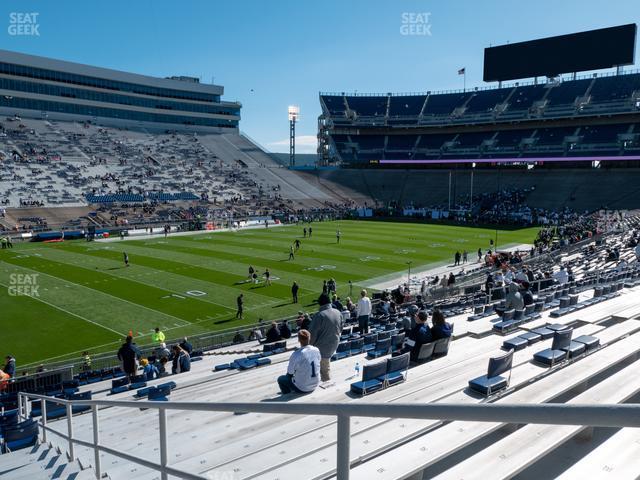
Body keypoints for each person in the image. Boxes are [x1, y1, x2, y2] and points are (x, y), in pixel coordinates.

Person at [309, 293, 343, 382]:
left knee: (324, 371)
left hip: (323, 348)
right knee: (324, 365)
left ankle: (327, 386)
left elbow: (312, 335)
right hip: (334, 344)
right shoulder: (338, 312)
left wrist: (308, 347)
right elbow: (340, 329)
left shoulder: (319, 315)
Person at [277, 330, 321, 394]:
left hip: (303, 388)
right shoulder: (316, 349)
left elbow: (290, 373)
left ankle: (287, 395)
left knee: (281, 379)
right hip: (315, 384)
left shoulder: (296, 354)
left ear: (299, 340)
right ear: (309, 338)